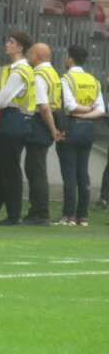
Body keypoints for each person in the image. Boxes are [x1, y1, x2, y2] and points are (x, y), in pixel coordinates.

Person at [0, 30, 34, 226]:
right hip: (13, 120)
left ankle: (14, 215)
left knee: (10, 169)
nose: (7, 44)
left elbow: (2, 99)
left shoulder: (19, 71)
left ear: (20, 47)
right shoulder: (12, 70)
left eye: (11, 42)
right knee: (1, 168)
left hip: (13, 120)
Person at [55, 46, 103, 226]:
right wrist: (88, 113)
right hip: (88, 129)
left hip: (70, 127)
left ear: (70, 59)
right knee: (83, 172)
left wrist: (82, 111)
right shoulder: (93, 80)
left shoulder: (66, 78)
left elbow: (70, 106)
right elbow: (101, 109)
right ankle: (82, 216)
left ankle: (68, 215)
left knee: (69, 173)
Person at [23, 42, 61, 225]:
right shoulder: (52, 72)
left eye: (30, 52)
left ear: (38, 55)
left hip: (40, 122)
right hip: (47, 122)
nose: (27, 55)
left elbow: (44, 107)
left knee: (35, 170)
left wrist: (53, 130)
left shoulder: (39, 75)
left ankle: (39, 212)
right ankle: (39, 211)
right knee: (38, 168)